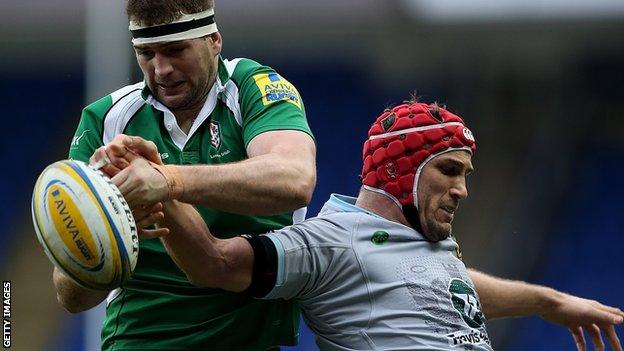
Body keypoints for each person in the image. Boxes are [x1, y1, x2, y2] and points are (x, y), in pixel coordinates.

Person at [98, 101, 623, 350]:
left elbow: (452, 285)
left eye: (465, 174)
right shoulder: (331, 241)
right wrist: (165, 187)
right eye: (449, 170)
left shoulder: (428, 248)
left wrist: (548, 303)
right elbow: (215, 263)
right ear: (398, 170)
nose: (462, 189)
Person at [53, 0, 316, 350]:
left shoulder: (255, 89)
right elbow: (71, 297)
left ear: (214, 41)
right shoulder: (106, 121)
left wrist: (167, 181)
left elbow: (294, 179)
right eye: (146, 54)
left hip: (249, 340)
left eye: (176, 50)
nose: (161, 69)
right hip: (137, 341)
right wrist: (107, 229)